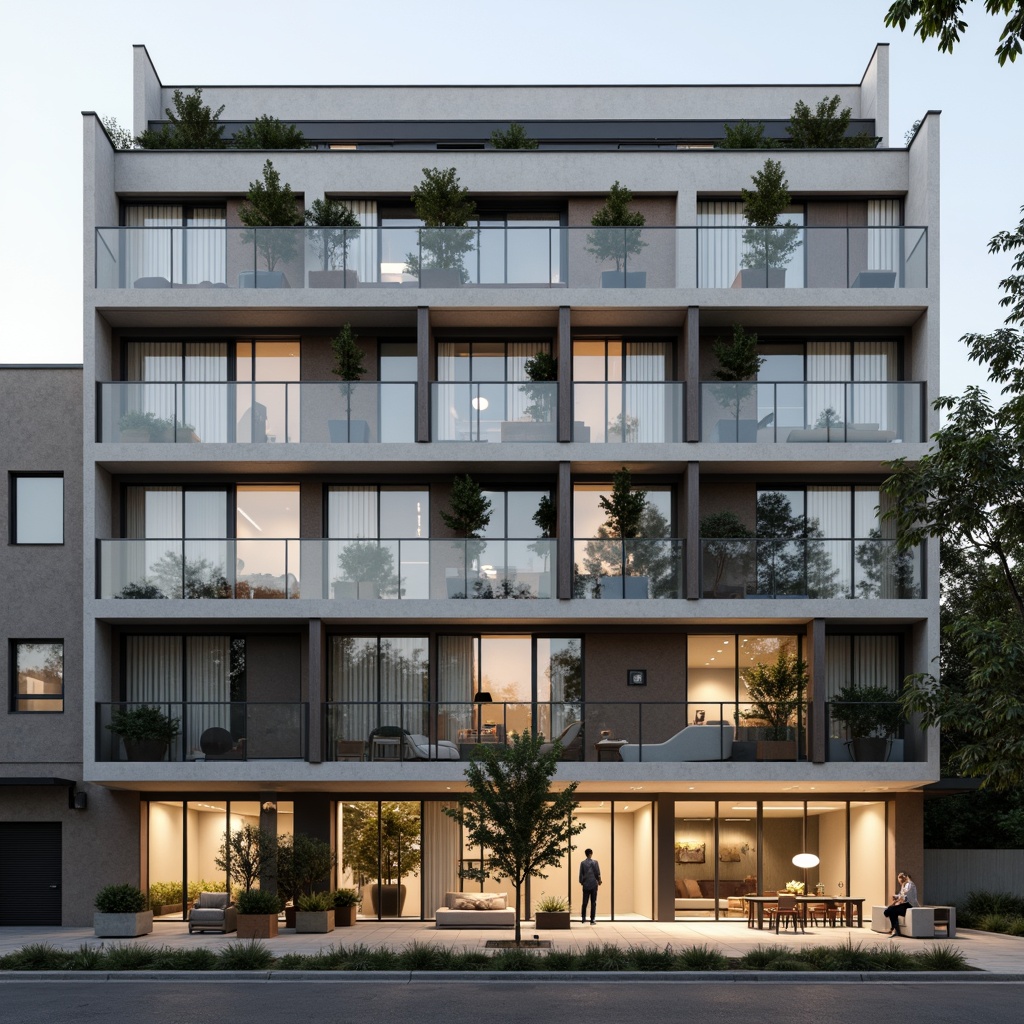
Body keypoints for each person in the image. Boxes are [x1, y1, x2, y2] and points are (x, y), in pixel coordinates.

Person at [883, 871, 919, 936]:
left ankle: (894, 929)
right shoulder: (904, 885)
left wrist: (897, 901)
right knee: (891, 911)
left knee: (890, 910)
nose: (900, 882)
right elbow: (901, 894)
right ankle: (895, 929)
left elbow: (905, 896)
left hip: (910, 906)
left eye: (901, 880)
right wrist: (896, 898)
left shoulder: (910, 884)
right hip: (905, 905)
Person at [579, 848, 602, 924]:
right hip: (593, 884)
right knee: (593, 902)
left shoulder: (582, 863)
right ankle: (592, 919)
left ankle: (583, 918)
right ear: (591, 853)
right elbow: (597, 873)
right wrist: (599, 880)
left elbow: (581, 874)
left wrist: (582, 882)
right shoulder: (595, 862)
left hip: (586, 885)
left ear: (585, 854)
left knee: (584, 902)